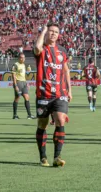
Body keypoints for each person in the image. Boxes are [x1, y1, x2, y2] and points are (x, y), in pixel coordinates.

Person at [34, 22, 72, 167]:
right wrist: (42, 32)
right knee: (42, 124)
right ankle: (43, 157)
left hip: (60, 93)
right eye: (51, 31)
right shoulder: (42, 48)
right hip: (43, 94)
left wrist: (70, 89)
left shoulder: (62, 51)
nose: (53, 34)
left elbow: (66, 70)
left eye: (56, 32)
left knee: (60, 120)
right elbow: (37, 48)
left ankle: (57, 156)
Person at [11, 53, 35, 119]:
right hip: (18, 83)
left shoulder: (24, 65)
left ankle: (29, 115)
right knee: (17, 98)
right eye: (21, 57)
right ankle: (15, 115)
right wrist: (15, 85)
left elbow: (23, 75)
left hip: (24, 83)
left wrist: (26, 83)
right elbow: (13, 75)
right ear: (19, 58)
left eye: (24, 57)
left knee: (27, 97)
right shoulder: (15, 65)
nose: (23, 59)